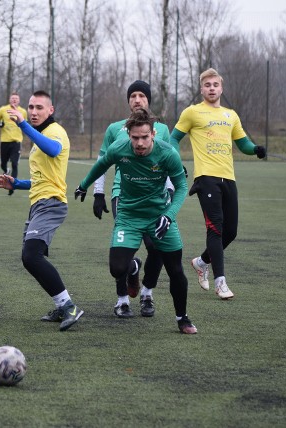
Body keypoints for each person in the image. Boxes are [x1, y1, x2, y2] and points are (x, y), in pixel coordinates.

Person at [75, 109, 197, 334]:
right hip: (129, 215)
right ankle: (133, 270)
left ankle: (183, 318)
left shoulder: (167, 153)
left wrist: (168, 216)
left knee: (175, 270)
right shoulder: (118, 149)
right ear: (129, 135)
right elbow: (101, 165)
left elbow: (181, 188)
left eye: (144, 137)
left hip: (159, 216)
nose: (139, 143)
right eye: (135, 138)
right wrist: (84, 184)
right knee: (116, 268)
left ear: (153, 134)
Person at [170, 68, 267, 300]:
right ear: (201, 89)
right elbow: (173, 139)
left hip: (228, 178)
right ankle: (220, 282)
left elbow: (242, 144)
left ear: (221, 88)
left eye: (215, 84)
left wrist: (255, 150)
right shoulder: (192, 113)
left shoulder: (230, 115)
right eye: (207, 85)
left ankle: (201, 261)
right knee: (215, 228)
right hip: (206, 179)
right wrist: (176, 163)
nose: (211, 88)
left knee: (230, 232)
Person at [0, 90, 83, 331]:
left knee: (31, 256)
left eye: (39, 108)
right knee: (32, 258)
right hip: (39, 203)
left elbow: (53, 150)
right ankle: (61, 305)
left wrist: (23, 125)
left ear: (50, 110)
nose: (33, 112)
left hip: (52, 203)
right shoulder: (40, 134)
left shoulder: (55, 132)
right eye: (31, 107)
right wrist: (17, 183)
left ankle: (69, 306)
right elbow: (42, 180)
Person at [91, 80, 177, 318]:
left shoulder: (162, 129)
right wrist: (98, 193)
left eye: (142, 95)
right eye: (133, 96)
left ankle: (147, 293)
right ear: (128, 101)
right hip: (124, 196)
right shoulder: (114, 129)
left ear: (148, 100)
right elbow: (101, 163)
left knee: (157, 247)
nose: (137, 99)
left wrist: (169, 192)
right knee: (122, 253)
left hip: (156, 198)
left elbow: (170, 164)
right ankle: (122, 300)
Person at [0, 92, 27, 195]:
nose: (14, 100)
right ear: (9, 100)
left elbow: (25, 124)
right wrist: (0, 124)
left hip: (16, 142)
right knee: (3, 163)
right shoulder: (3, 109)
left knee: (15, 164)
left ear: (19, 100)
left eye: (16, 98)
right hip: (5, 141)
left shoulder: (23, 111)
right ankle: (6, 170)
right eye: (13, 98)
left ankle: (13, 185)